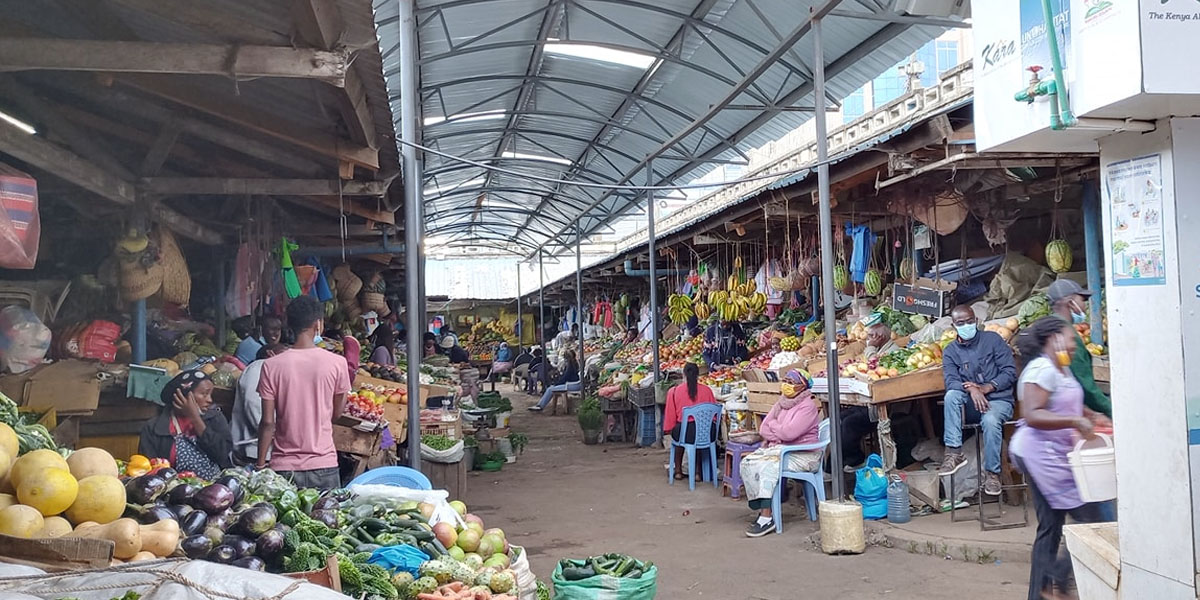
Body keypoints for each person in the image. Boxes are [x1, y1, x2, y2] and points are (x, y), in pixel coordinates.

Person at [1010, 316, 1110, 600]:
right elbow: (1033, 414)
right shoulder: (1040, 370)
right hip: (1038, 456)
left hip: (1055, 456)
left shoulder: (1061, 368)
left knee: (1052, 526)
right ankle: (1057, 579)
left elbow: (1067, 401)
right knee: (1092, 520)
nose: (1074, 344)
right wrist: (1075, 421)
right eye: (1069, 338)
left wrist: (1091, 415)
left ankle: (1044, 590)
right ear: (1053, 339)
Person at [256, 296, 351, 489]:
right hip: (324, 463)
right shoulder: (337, 364)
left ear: (288, 324)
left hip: (284, 467)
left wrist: (260, 464)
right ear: (318, 324)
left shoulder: (271, 366)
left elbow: (267, 423)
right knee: (327, 518)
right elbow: (337, 413)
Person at [938, 304, 1018, 497]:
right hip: (970, 404)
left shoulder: (993, 340)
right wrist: (973, 389)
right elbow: (951, 381)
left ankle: (992, 474)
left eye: (969, 321)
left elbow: (1010, 372)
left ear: (976, 321)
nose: (966, 325)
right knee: (951, 395)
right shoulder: (950, 351)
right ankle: (954, 453)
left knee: (990, 420)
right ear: (953, 325)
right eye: (961, 323)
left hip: (999, 401)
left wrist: (986, 387)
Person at [739, 369, 823, 537]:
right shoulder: (781, 403)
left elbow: (789, 434)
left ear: (802, 386)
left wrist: (776, 429)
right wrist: (780, 432)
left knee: (767, 466)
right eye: (785, 381)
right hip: (782, 449)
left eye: (791, 383)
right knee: (748, 462)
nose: (787, 385)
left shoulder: (808, 407)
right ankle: (762, 506)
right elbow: (763, 428)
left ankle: (766, 517)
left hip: (804, 455)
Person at [139, 370, 233, 480]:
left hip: (215, 489)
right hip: (174, 491)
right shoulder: (153, 428)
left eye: (210, 394)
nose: (210, 400)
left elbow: (221, 455)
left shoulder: (215, 418)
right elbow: (148, 469)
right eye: (204, 394)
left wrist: (195, 418)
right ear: (182, 395)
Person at [1047, 279, 1113, 419]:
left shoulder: (1052, 326)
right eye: (1082, 300)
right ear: (1071, 303)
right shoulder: (1065, 334)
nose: (1084, 306)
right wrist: (1111, 411)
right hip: (1070, 411)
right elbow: (1084, 384)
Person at [840, 320, 898, 471]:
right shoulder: (879, 348)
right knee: (839, 418)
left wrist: (870, 347)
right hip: (869, 402)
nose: (868, 339)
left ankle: (855, 459)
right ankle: (833, 467)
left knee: (849, 423)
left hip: (884, 406)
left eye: (871, 336)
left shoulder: (892, 351)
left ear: (880, 337)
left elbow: (875, 365)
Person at [231, 343, 288, 465]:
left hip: (265, 450)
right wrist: (275, 432)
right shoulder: (258, 368)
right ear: (270, 354)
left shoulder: (276, 372)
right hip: (252, 450)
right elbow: (254, 405)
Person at [663, 362, 718, 479]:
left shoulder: (674, 391)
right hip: (707, 434)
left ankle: (677, 470)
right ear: (698, 375)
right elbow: (714, 417)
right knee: (697, 433)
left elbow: (670, 418)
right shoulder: (707, 390)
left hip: (685, 433)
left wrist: (669, 430)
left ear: (684, 375)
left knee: (679, 432)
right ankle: (698, 472)